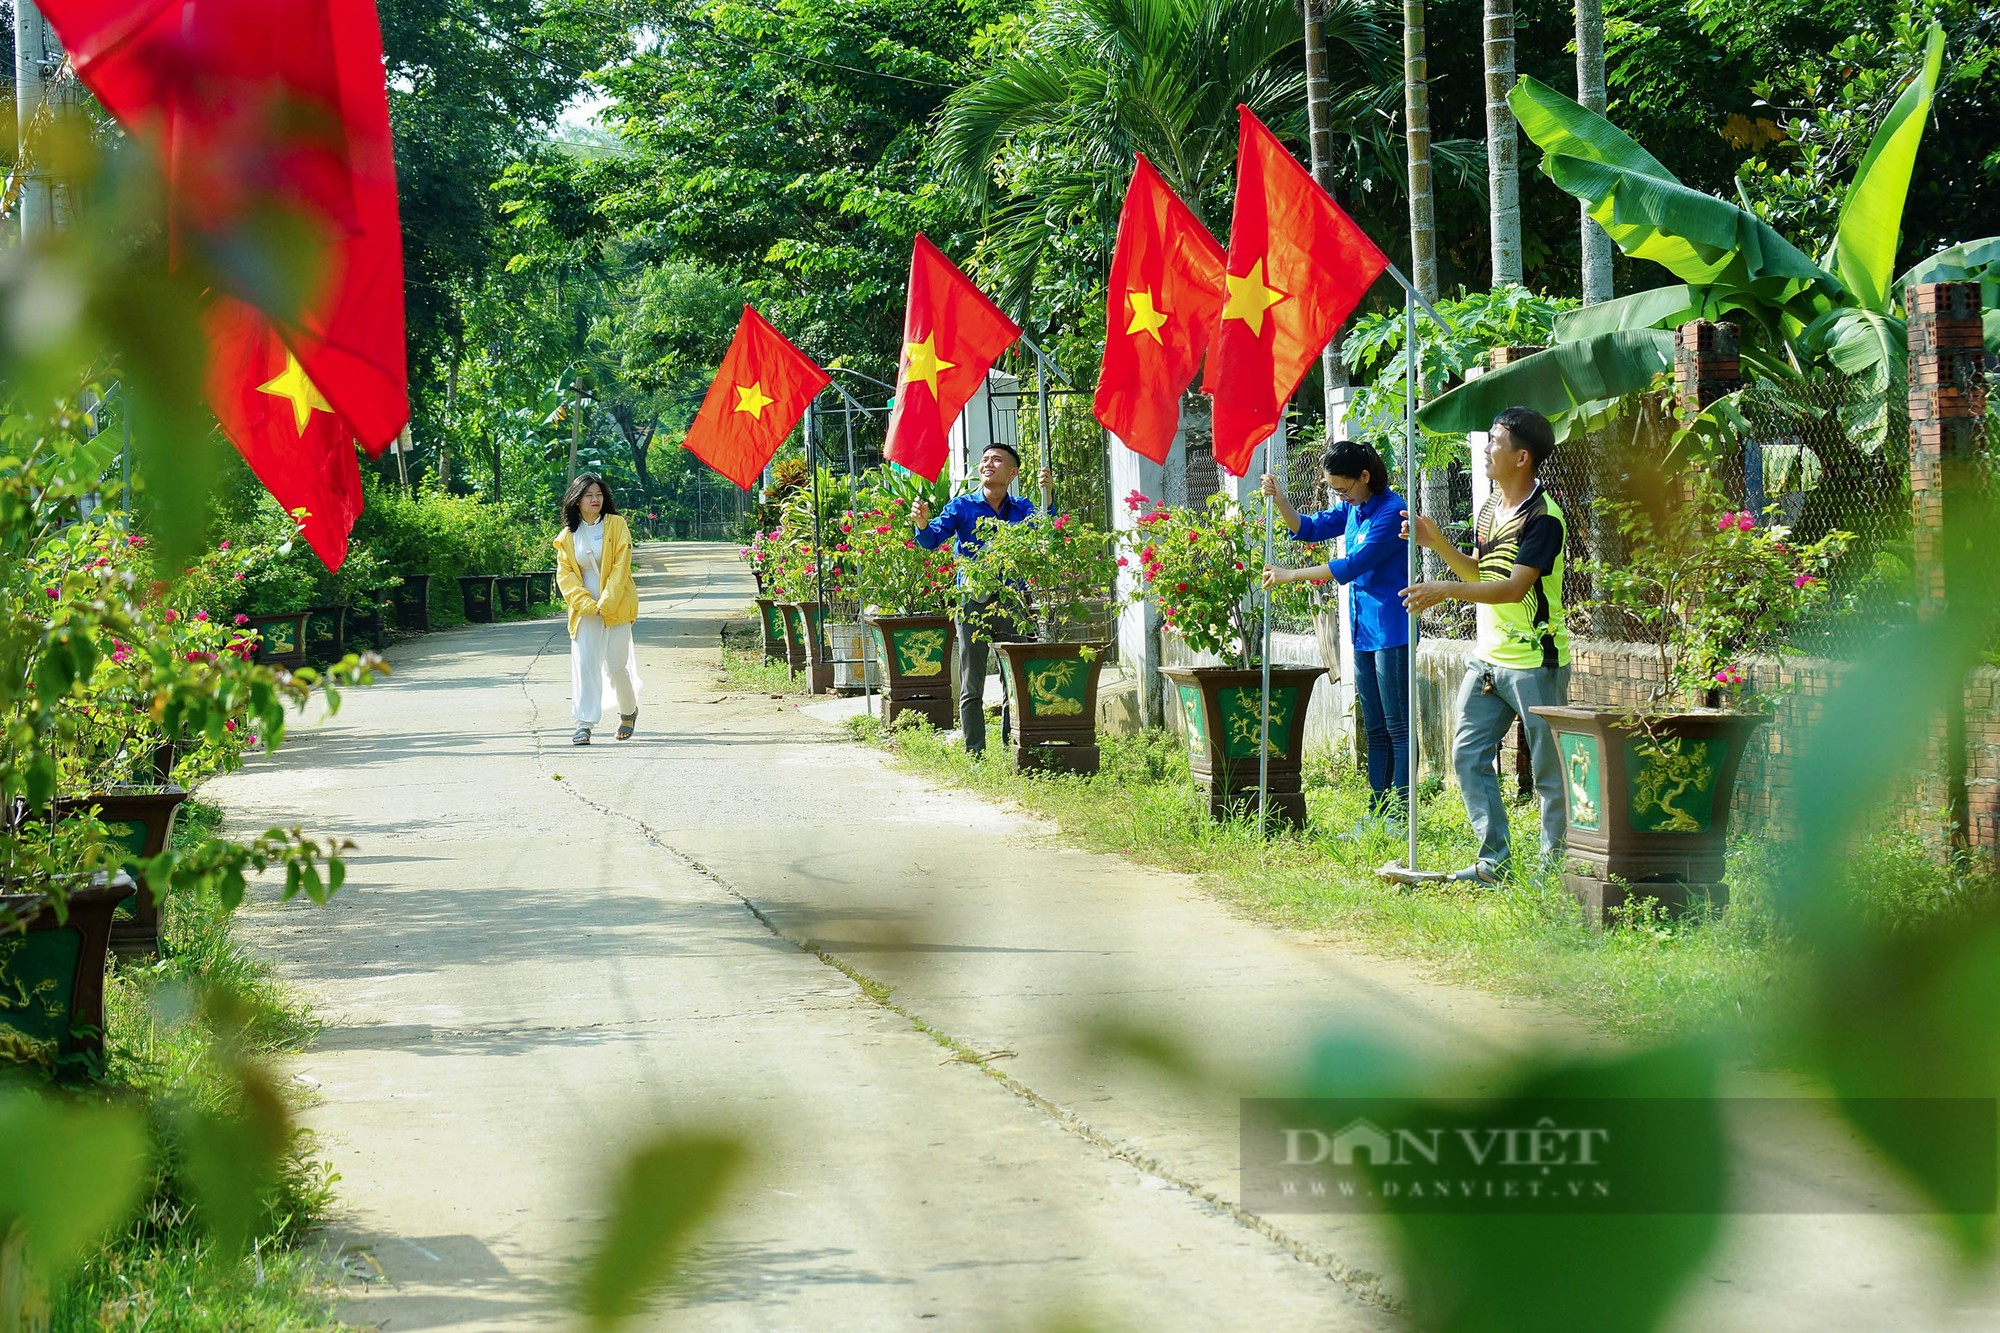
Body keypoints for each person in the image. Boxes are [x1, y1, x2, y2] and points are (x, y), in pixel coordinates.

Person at [1401, 406, 1570, 885]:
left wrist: (1445, 590)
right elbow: (1480, 574)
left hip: (1538, 662)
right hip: (1487, 660)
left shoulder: (1544, 519)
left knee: (1549, 776)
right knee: (1467, 756)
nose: (1485, 448)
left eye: (1494, 441)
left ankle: (1550, 873)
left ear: (1521, 457)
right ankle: (1494, 862)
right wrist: (1436, 545)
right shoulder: (1490, 507)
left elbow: (1514, 588)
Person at [1259, 439, 1411, 824]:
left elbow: (1351, 565)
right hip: (1363, 631)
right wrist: (1279, 499)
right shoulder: (1353, 508)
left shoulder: (1391, 513)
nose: (1339, 496)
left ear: (1365, 476)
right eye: (1334, 490)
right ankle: (1378, 813)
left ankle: (1401, 815)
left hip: (1392, 631)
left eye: (1343, 488)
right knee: (1374, 728)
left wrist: (1291, 575)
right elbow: (1308, 528)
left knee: (1397, 727)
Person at [912, 443, 1055, 755]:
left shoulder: (1023, 508)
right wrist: (922, 523)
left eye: (997, 460)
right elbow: (932, 538)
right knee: (972, 680)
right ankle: (975, 751)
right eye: (985, 459)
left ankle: (1010, 746)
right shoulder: (962, 506)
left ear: (1013, 472)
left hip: (1013, 599)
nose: (988, 464)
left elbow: (1046, 533)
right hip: (973, 602)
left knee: (1012, 676)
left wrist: (1049, 497)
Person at [554, 472, 641, 747]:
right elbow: (565, 575)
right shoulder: (568, 536)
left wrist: (606, 602)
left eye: (599, 494)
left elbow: (620, 566)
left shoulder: (616, 525)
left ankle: (628, 711)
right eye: (589, 495)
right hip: (585, 610)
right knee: (586, 663)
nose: (595, 499)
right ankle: (584, 723)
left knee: (617, 666)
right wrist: (585, 604)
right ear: (576, 500)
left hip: (616, 604)